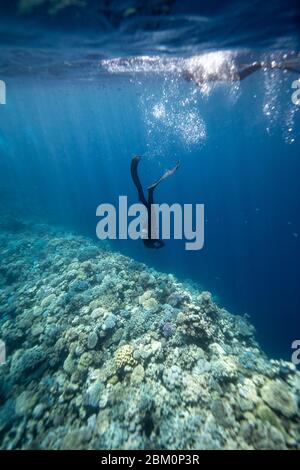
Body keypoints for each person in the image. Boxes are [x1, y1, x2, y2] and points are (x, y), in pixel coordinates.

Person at [130, 156, 179, 249]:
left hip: (149, 223)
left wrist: (158, 246)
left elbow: (161, 243)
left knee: (150, 210)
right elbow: (144, 231)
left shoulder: (152, 240)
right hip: (146, 222)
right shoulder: (147, 241)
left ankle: (150, 192)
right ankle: (145, 195)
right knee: (148, 209)